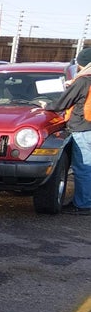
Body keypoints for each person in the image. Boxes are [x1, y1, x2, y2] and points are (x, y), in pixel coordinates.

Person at [46, 47, 91, 215]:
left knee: (84, 168)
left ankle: (84, 204)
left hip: (83, 128)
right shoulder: (84, 81)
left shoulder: (83, 81)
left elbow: (62, 103)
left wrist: (47, 106)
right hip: (88, 127)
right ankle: (84, 200)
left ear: (83, 64)